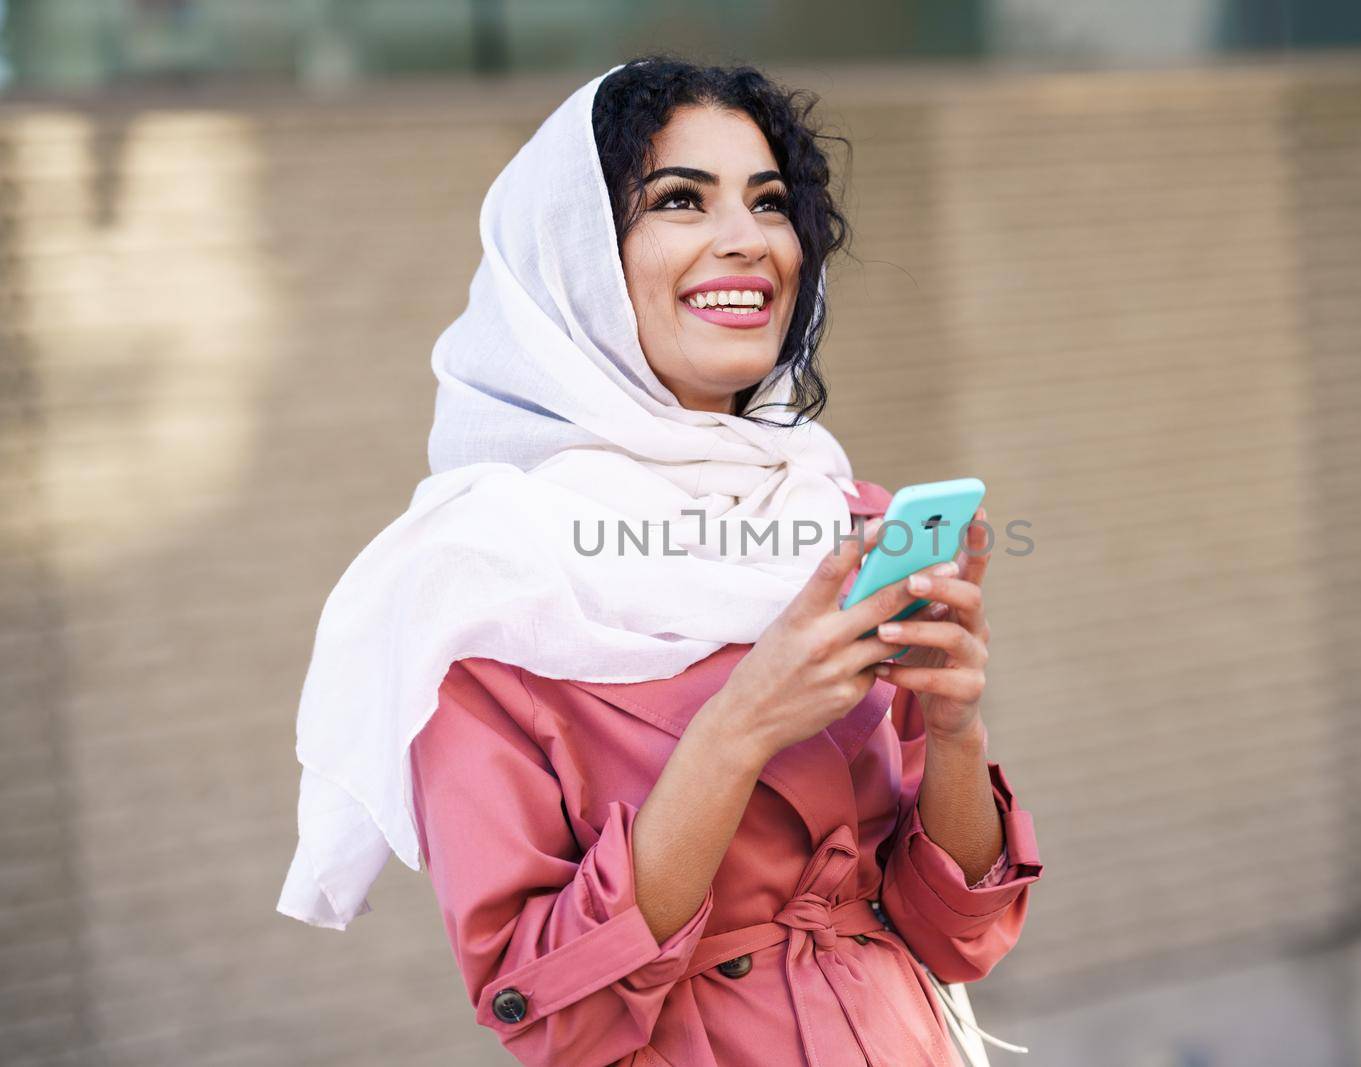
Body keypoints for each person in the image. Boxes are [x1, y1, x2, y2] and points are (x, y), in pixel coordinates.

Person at [277, 54, 1042, 1067]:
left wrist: (952, 727)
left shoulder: (842, 516)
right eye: (680, 198)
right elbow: (547, 1012)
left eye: (771, 204)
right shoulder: (480, 576)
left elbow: (958, 935)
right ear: (574, 257)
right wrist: (741, 726)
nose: (747, 240)